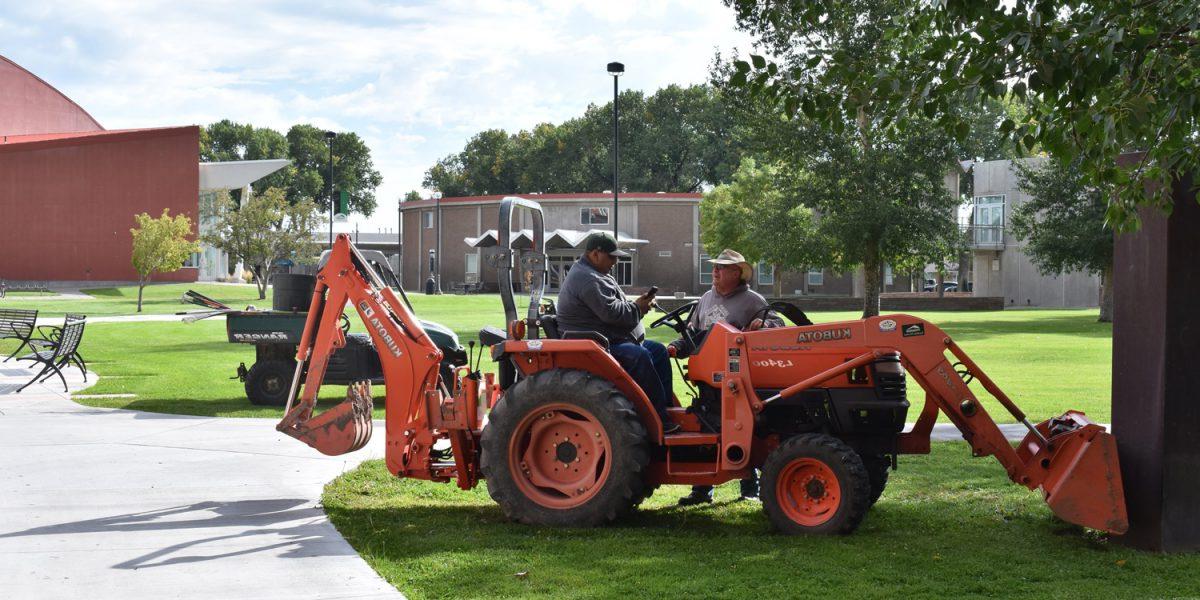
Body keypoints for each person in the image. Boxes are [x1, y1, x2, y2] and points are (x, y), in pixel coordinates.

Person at [669, 249, 783, 505]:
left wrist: (762, 326)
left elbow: (778, 326)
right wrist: (676, 346)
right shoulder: (706, 299)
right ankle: (702, 489)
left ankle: (750, 487)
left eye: (722, 268)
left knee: (746, 427)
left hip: (738, 379)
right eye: (715, 267)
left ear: (737, 272)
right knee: (706, 427)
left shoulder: (753, 301)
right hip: (707, 378)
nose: (715, 272)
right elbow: (692, 333)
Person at [556, 232, 681, 434]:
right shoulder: (587, 279)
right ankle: (656, 420)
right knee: (640, 356)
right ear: (595, 254)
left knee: (658, 351)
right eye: (611, 256)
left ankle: (666, 410)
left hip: (610, 339)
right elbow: (612, 314)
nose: (615, 261)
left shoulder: (596, 274)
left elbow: (614, 306)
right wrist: (638, 308)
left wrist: (636, 305)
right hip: (597, 345)